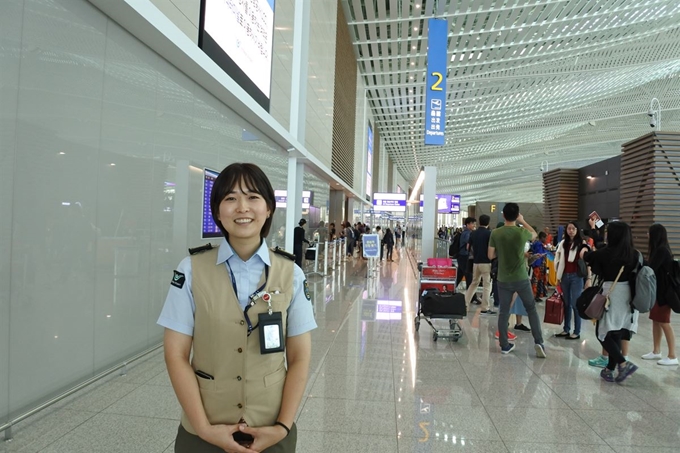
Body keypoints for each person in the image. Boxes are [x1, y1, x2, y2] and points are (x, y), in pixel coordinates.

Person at [157, 163, 317, 452]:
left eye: (253, 197)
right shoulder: (191, 269)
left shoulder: (291, 273)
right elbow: (175, 354)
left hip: (271, 429)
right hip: (204, 431)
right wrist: (204, 429)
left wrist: (282, 428)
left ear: (269, 208)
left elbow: (300, 358)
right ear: (217, 211)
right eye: (230, 198)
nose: (242, 207)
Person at [584, 221, 639, 382]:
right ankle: (609, 368)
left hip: (612, 294)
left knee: (602, 333)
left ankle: (623, 364)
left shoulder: (606, 253)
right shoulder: (634, 254)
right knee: (617, 332)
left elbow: (589, 259)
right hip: (630, 297)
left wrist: (584, 251)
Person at [488, 203, 546, 357]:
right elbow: (534, 234)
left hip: (503, 279)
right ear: (517, 215)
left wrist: (502, 251)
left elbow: (490, 256)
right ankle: (539, 342)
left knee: (504, 311)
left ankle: (504, 345)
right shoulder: (521, 232)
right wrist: (523, 221)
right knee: (531, 309)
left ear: (503, 215)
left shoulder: (496, 233)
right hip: (521, 277)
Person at [641, 223, 678, 366]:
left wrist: (641, 261)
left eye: (649, 233)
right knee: (656, 321)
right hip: (657, 292)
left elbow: (651, 268)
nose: (647, 236)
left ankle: (672, 355)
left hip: (664, 294)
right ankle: (656, 351)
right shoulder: (660, 250)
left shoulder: (662, 251)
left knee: (664, 322)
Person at [554, 221, 590, 340]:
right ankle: (566, 329)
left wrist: (588, 278)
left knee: (575, 304)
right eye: (569, 228)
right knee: (567, 304)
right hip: (564, 275)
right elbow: (558, 259)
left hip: (576, 276)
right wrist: (558, 277)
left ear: (577, 230)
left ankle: (577, 331)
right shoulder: (563, 243)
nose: (571, 231)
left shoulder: (581, 244)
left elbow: (587, 262)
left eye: (573, 229)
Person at [465, 215, 494, 314]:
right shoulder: (489, 234)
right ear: (488, 223)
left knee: (474, 283)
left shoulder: (473, 233)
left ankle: (465, 304)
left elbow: (468, 247)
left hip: (475, 262)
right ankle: (485, 308)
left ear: (479, 222)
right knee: (487, 285)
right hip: (486, 262)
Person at [456, 217, 476, 290]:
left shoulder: (465, 232)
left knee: (460, 274)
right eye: (472, 223)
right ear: (468, 224)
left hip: (462, 256)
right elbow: (469, 245)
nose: (474, 225)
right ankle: (472, 295)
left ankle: (451, 288)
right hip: (464, 256)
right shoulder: (467, 234)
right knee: (468, 275)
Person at [530, 232, 549, 302]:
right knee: (536, 280)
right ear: (542, 238)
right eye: (545, 238)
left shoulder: (539, 244)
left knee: (539, 280)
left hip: (540, 264)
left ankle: (537, 295)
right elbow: (539, 254)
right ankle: (534, 295)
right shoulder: (538, 244)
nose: (546, 239)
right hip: (538, 264)